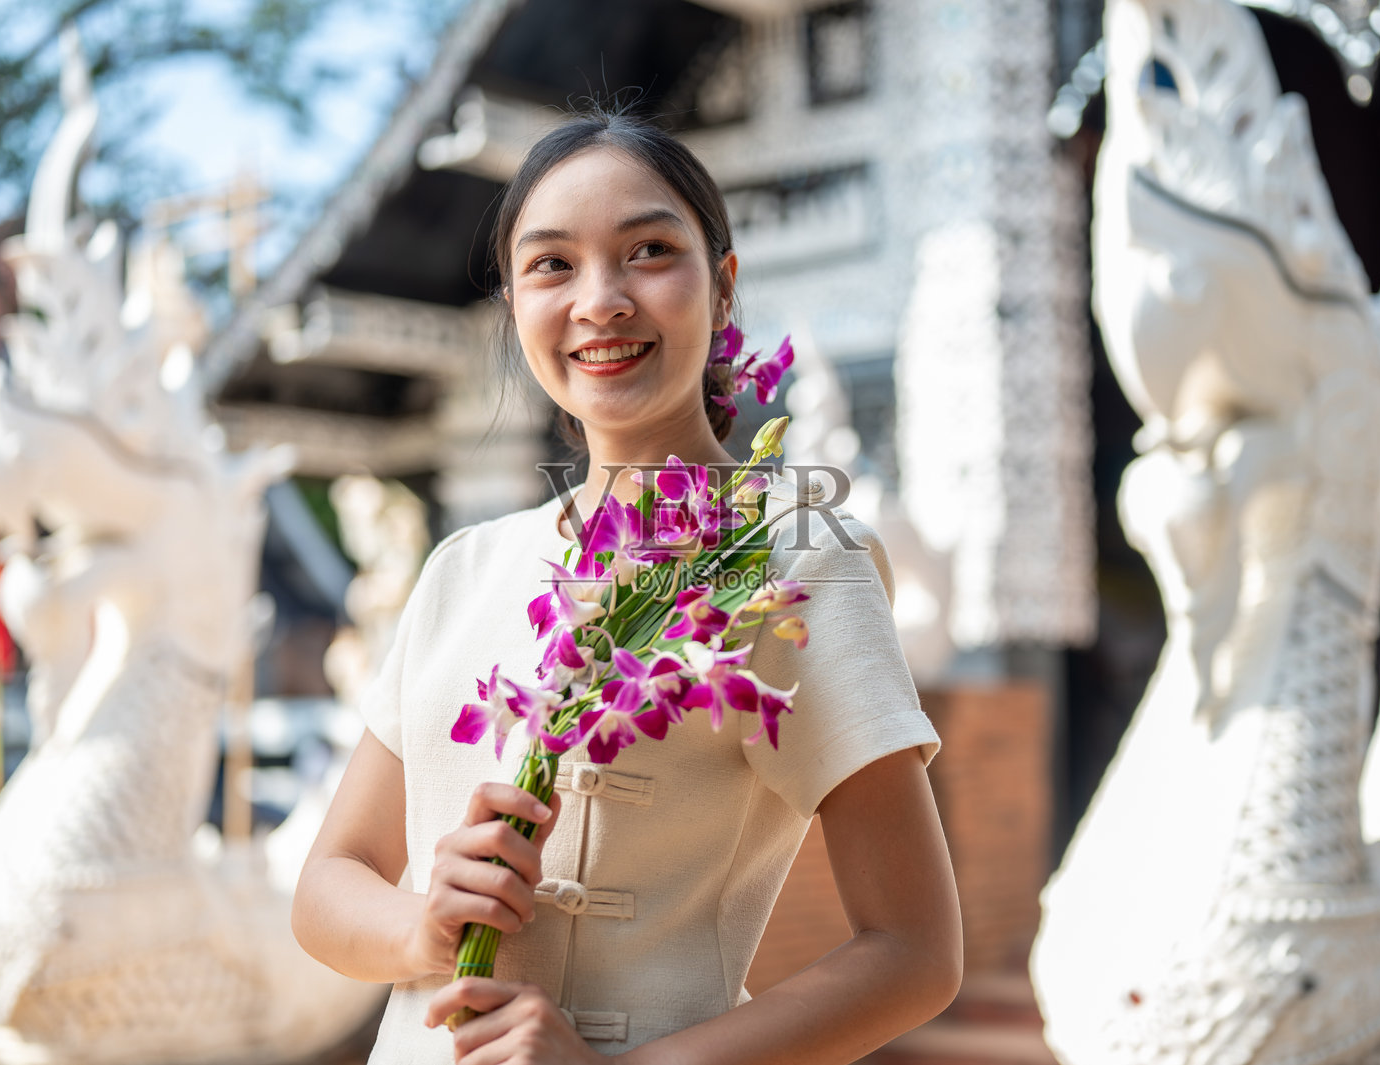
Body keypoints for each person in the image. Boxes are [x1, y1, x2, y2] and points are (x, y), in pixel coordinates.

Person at [292, 108, 962, 1065]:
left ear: (722, 288)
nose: (599, 301)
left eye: (648, 250)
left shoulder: (793, 560)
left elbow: (913, 952)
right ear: (515, 304)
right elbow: (328, 882)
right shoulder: (463, 569)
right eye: (551, 264)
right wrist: (424, 922)